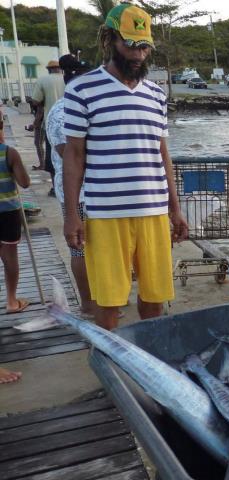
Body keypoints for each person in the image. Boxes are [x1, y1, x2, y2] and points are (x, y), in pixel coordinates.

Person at [62, 3, 188, 330]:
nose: (137, 54)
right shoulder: (81, 90)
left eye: (143, 45)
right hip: (106, 215)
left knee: (154, 298)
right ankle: (112, 366)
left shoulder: (155, 95)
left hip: (154, 211)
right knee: (109, 302)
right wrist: (72, 214)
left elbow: (163, 155)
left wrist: (175, 209)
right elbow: (73, 156)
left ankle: (150, 359)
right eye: (129, 44)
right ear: (110, 39)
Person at [47, 55, 95, 317]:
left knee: (94, 249)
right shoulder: (62, 110)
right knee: (80, 250)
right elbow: (69, 153)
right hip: (77, 193)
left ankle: (99, 300)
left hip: (94, 192)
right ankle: (88, 304)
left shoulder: (82, 107)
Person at [0, 117, 31, 315]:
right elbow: (25, 182)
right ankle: (11, 301)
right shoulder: (9, 153)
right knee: (9, 256)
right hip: (7, 212)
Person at [31, 60, 65, 193]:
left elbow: (35, 100)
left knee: (53, 160)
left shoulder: (43, 80)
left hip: (52, 125)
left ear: (48, 69)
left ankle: (56, 188)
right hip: (71, 124)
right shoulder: (67, 79)